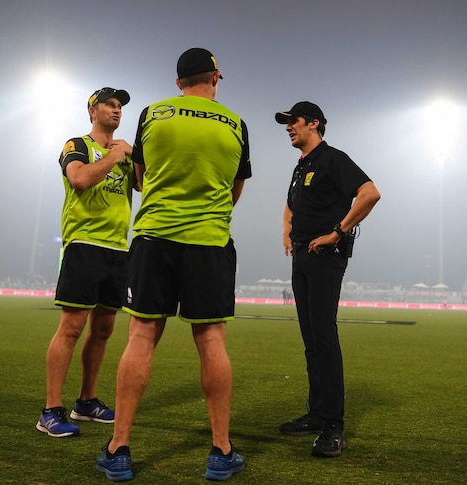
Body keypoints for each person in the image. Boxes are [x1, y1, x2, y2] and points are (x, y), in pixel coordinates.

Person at [95, 47, 251, 482]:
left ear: (178, 82)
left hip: (155, 238)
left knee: (141, 336)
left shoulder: (152, 114)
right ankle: (221, 451)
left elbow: (141, 177)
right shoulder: (236, 123)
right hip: (209, 242)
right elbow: (235, 188)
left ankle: (119, 448)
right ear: (216, 76)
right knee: (211, 340)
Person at [275, 101, 381, 457]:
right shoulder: (302, 165)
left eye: (294, 121)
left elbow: (370, 193)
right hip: (302, 255)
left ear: (314, 123)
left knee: (323, 335)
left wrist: (338, 231)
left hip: (325, 257)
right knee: (310, 338)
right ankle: (317, 413)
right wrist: (287, 230)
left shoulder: (333, 158)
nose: (288, 127)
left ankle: (334, 425)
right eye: (286, 123)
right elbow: (291, 204)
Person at [36, 87, 135, 438]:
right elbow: (79, 179)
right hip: (84, 245)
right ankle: (50, 410)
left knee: (104, 330)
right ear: (92, 110)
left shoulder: (126, 153)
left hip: (118, 249)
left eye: (120, 105)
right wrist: (114, 155)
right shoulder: (77, 145)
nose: (116, 109)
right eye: (109, 104)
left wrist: (133, 156)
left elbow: (147, 182)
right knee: (72, 328)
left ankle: (86, 401)